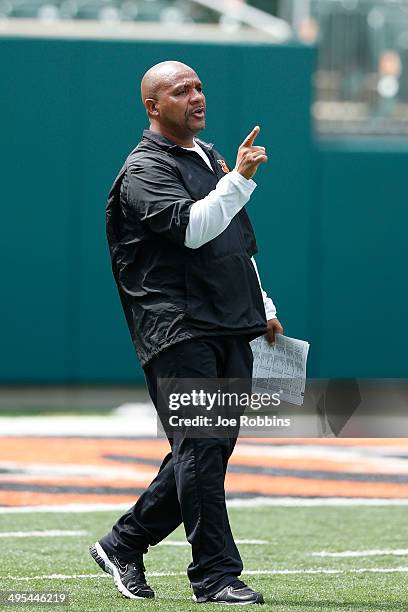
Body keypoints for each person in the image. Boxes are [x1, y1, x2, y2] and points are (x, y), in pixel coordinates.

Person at [90, 60, 283, 606]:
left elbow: (235, 242)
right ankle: (216, 575)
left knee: (207, 451)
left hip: (230, 319)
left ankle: (123, 543)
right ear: (153, 106)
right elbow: (193, 229)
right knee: (200, 446)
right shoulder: (143, 169)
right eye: (181, 91)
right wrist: (239, 180)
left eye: (198, 87)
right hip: (177, 326)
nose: (196, 97)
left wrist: (262, 301)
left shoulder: (208, 155)